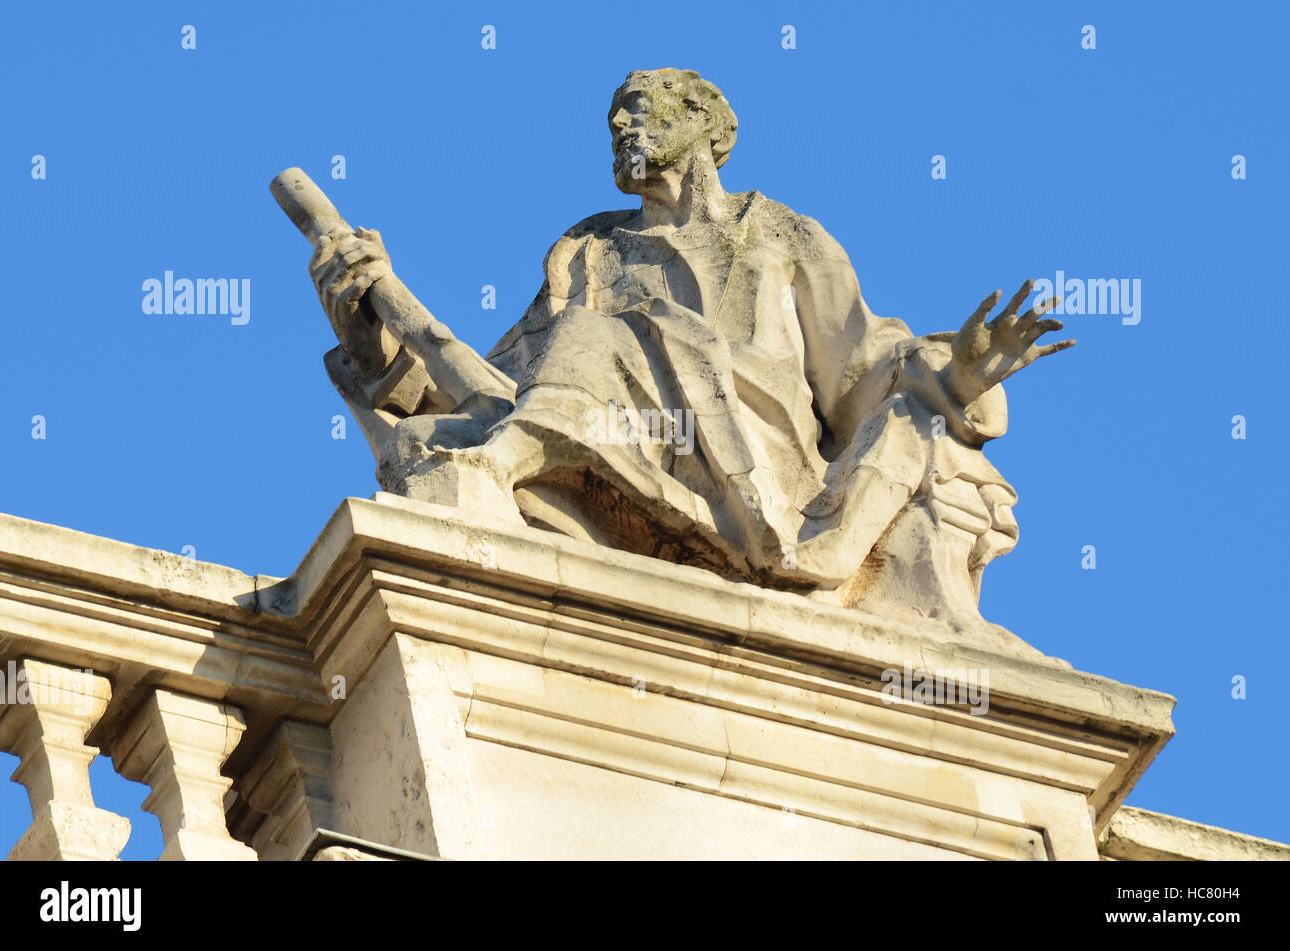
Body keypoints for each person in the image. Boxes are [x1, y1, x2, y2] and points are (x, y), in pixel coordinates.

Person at [307, 68, 1072, 637]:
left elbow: (862, 367)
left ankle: (509, 463)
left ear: (705, 122)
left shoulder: (781, 236)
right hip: (621, 444)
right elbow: (503, 385)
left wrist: (965, 372)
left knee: (605, 334)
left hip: (758, 460)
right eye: (612, 116)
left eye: (637, 109)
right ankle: (510, 461)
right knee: (588, 341)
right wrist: (376, 338)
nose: (619, 124)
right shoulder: (587, 250)